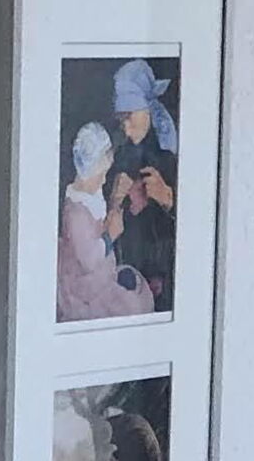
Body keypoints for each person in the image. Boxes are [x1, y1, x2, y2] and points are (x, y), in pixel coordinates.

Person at [54, 122, 155, 321]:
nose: (103, 180)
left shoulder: (92, 194)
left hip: (103, 275)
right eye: (101, 175)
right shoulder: (75, 213)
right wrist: (110, 236)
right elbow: (89, 261)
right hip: (85, 287)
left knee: (136, 291)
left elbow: (102, 223)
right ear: (87, 171)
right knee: (133, 307)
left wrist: (116, 201)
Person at [104, 54, 178, 307]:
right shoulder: (121, 153)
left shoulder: (172, 151)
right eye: (120, 119)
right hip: (132, 273)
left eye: (129, 116)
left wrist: (168, 199)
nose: (125, 128)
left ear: (145, 108)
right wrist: (118, 200)